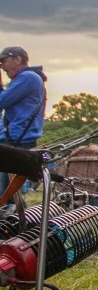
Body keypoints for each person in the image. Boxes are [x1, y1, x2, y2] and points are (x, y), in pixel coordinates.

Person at [0, 47, 47, 203]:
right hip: (15, 140)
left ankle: (17, 218)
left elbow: (1, 101)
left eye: (3, 61)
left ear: (18, 59)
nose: (2, 66)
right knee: (9, 194)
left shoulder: (27, 77)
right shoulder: (27, 79)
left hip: (16, 142)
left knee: (6, 195)